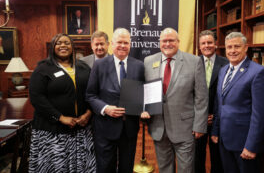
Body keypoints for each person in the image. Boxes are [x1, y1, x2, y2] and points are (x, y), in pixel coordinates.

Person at [141, 28, 208, 173]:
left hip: (185, 128)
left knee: (186, 169)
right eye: (164, 41)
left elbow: (201, 97)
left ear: (178, 42)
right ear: (159, 43)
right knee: (164, 168)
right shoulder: (148, 61)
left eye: (171, 40)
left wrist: (199, 126)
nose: (167, 43)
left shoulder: (194, 61)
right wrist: (142, 109)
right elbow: (143, 90)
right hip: (158, 127)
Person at [29, 33, 96, 172]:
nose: (63, 45)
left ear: (73, 47)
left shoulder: (83, 67)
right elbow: (37, 98)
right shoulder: (43, 69)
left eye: (67, 43)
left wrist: (88, 113)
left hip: (81, 130)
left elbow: (93, 92)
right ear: (53, 47)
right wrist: (60, 117)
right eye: (59, 43)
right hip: (53, 131)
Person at [211, 32, 264, 173]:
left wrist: (251, 146)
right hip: (224, 139)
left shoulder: (258, 73)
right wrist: (215, 130)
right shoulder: (223, 70)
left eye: (237, 46)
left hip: (244, 144)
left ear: (246, 48)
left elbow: (261, 115)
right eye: (229, 47)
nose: (232, 51)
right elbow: (219, 104)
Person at [86, 28, 144, 173]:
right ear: (112, 44)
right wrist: (105, 108)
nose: (122, 46)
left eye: (126, 42)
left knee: (126, 168)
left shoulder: (139, 66)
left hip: (129, 128)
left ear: (130, 44)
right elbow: (90, 95)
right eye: (119, 42)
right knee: (105, 168)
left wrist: (145, 109)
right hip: (105, 127)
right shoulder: (99, 65)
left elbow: (144, 93)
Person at [195, 30, 228, 173]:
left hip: (218, 120)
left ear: (216, 44)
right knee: (197, 157)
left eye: (209, 42)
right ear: (199, 46)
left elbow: (229, 93)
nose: (206, 45)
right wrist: (200, 115)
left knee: (218, 158)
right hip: (197, 120)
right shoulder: (192, 63)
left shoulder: (226, 64)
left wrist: (216, 115)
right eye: (203, 43)